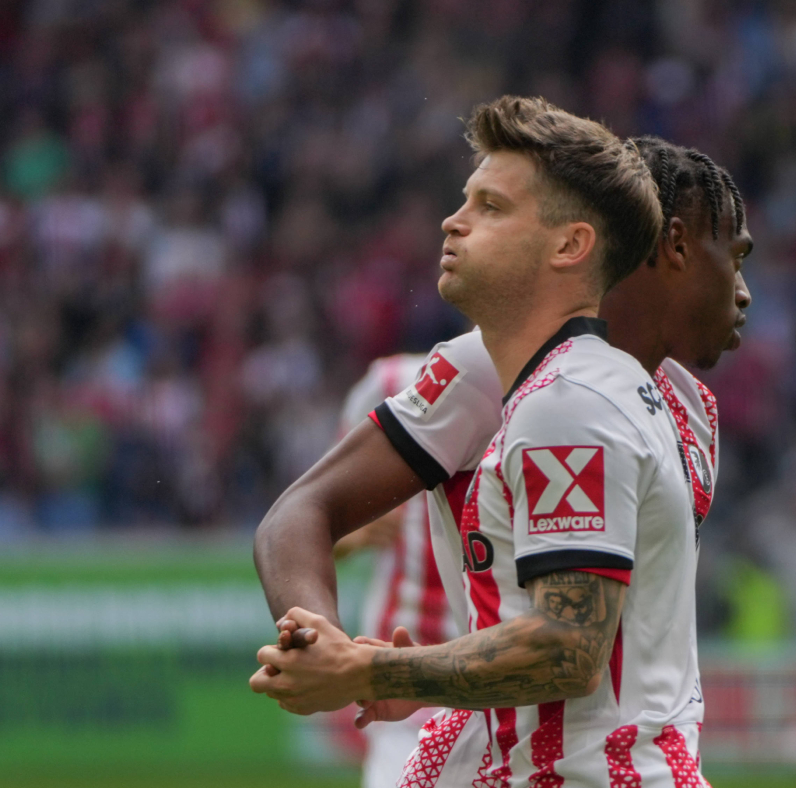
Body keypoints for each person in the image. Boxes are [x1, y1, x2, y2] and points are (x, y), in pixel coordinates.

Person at [251, 95, 748, 787]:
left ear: (574, 245)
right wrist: (329, 648)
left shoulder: (592, 397)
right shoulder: (502, 373)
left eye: (489, 206)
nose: (451, 222)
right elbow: (304, 511)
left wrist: (370, 668)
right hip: (526, 753)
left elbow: (573, 645)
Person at [333, 353, 461, 788]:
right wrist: (354, 532)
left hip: (498, 676)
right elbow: (319, 519)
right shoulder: (392, 382)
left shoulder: (543, 388)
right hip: (400, 663)